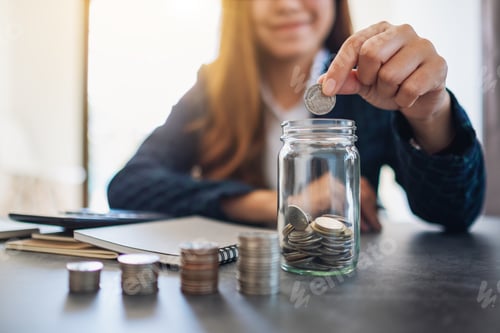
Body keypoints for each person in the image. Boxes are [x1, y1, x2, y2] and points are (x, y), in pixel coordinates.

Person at [107, 0, 485, 233]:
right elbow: (129, 185)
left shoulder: (373, 88)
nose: (287, 3)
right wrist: (284, 202)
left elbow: (455, 213)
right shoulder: (213, 88)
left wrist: (431, 113)